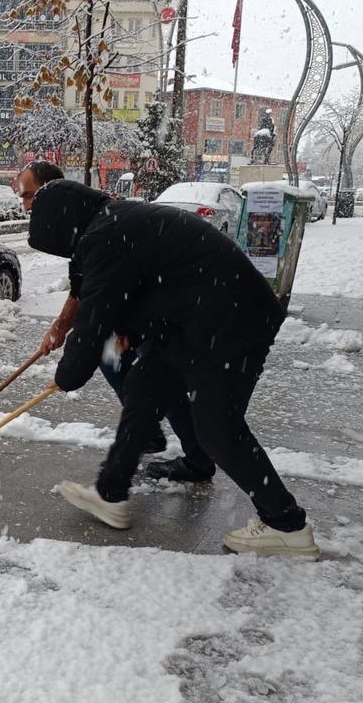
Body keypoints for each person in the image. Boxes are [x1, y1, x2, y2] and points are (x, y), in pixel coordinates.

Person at [26, 176, 318, 558]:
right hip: (193, 318)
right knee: (144, 387)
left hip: (230, 321)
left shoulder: (106, 235)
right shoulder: (111, 222)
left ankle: (286, 525)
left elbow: (93, 320)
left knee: (217, 427)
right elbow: (146, 284)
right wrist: (132, 328)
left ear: (62, 225)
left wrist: (67, 376)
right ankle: (111, 493)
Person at [17, 161, 214, 483]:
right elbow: (82, 285)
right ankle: (151, 434)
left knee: (157, 377)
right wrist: (59, 328)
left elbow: (99, 303)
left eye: (29, 195)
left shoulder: (101, 224)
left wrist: (71, 369)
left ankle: (186, 459)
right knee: (114, 363)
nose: (24, 205)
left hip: (179, 306)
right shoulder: (81, 221)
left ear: (51, 192)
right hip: (150, 305)